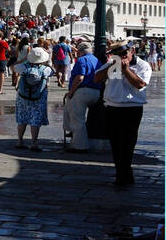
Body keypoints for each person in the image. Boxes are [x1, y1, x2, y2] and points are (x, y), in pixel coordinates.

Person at [96, 41, 152, 187]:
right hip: (112, 107)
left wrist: (126, 70)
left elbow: (140, 84)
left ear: (131, 51)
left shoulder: (142, 65)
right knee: (115, 142)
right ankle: (122, 172)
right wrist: (112, 66)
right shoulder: (112, 64)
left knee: (127, 143)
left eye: (124, 54)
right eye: (118, 55)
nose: (122, 57)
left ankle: (124, 173)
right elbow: (97, 78)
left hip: (132, 108)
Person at [62, 41, 102, 153]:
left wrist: (71, 92)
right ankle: (71, 131)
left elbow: (79, 78)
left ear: (80, 51)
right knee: (71, 112)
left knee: (78, 119)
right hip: (96, 91)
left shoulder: (82, 60)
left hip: (83, 91)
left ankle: (80, 145)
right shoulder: (97, 60)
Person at [14, 47, 52, 151]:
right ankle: (34, 143)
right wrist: (48, 62)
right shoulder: (46, 69)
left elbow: (13, 67)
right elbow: (53, 71)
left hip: (23, 97)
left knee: (22, 119)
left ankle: (20, 141)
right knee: (35, 120)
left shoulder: (23, 67)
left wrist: (25, 59)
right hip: (39, 98)